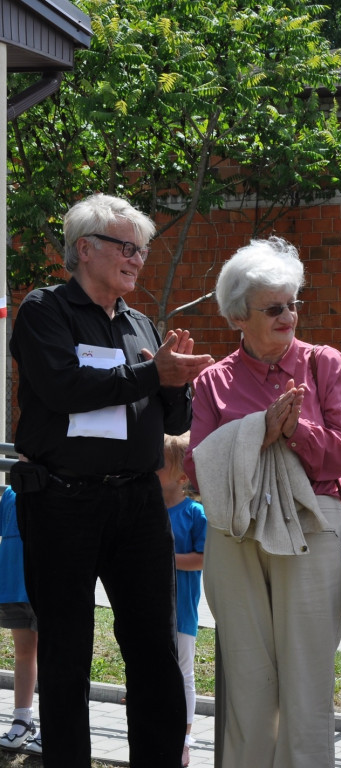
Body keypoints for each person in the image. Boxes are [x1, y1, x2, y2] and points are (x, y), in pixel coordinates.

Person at [10, 193, 213, 768]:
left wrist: (173, 383)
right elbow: (65, 388)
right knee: (67, 655)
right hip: (61, 502)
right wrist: (153, 372)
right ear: (85, 249)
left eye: (143, 249)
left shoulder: (141, 322)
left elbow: (175, 422)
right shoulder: (45, 310)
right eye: (126, 246)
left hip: (138, 503)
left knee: (154, 649)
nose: (137, 258)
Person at [184, 236, 341, 767]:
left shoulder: (326, 365)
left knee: (307, 677)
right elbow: (195, 467)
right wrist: (257, 434)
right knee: (246, 676)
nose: (288, 316)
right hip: (234, 531)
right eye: (274, 307)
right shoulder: (213, 381)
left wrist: (298, 431)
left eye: (292, 304)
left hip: (312, 526)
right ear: (240, 315)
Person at [158, 433, 206, 768]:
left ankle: (185, 739)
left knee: (183, 673)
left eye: (160, 463)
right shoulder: (148, 509)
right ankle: (159, 731)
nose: (153, 467)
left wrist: (167, 560)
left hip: (182, 609)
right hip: (151, 606)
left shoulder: (195, 513)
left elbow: (204, 558)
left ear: (183, 475)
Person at [0, 485, 42, 756]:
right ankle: (22, 720)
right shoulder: (10, 494)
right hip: (14, 585)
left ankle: (55, 721)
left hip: (46, 585)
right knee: (24, 652)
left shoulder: (62, 488)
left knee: (53, 655)